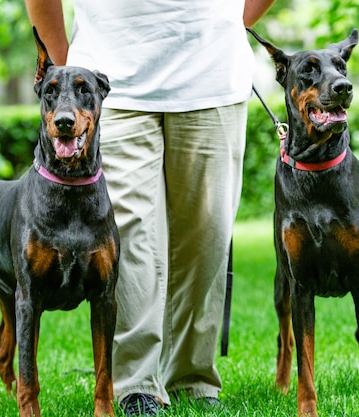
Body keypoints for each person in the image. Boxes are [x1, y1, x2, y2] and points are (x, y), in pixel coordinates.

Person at [24, 1, 274, 415]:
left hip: (211, 77)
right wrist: (64, 65)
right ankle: (136, 384)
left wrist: (230, 22)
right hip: (112, 82)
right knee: (130, 234)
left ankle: (192, 378)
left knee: (207, 237)